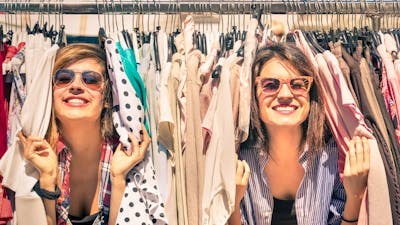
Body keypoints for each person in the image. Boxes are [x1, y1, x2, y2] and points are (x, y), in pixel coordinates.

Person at [228, 43, 369, 225]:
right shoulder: (240, 160)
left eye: (298, 84)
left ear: (311, 94)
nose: (285, 94)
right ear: (254, 94)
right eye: (271, 85)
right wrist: (231, 205)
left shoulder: (335, 156)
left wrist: (355, 196)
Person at [17, 43, 150, 225]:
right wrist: (48, 180)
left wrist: (118, 180)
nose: (76, 86)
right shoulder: (37, 158)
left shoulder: (124, 155)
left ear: (106, 99)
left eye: (91, 79)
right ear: (51, 93)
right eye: (64, 78)